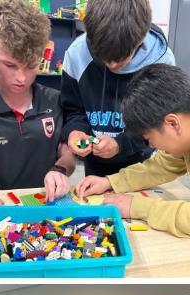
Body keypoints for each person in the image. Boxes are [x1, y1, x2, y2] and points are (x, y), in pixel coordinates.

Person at [0, 0, 75, 212]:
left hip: (45, 210)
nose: (21, 78)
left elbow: (66, 151)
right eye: (10, 65)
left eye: (31, 66)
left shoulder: (55, 100)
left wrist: (60, 169)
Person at [74, 64, 190, 239]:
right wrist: (109, 182)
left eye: (149, 137)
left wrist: (138, 207)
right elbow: (162, 165)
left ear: (173, 123)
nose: (152, 144)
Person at [62, 0, 174, 179]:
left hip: (143, 164)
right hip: (95, 165)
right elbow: (72, 110)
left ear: (140, 38)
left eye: (121, 57)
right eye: (103, 57)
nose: (112, 65)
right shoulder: (76, 53)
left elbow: (158, 123)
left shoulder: (161, 63)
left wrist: (121, 144)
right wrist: (75, 130)